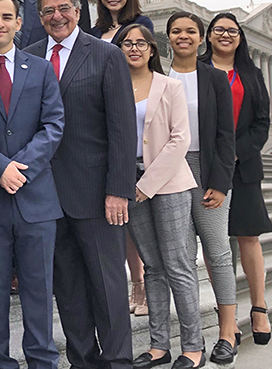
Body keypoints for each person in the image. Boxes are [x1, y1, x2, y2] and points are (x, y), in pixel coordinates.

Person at [25, 0, 136, 369]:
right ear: (39, 18)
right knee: (68, 288)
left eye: (64, 9)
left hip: (95, 193)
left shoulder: (105, 55)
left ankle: (119, 359)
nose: (56, 16)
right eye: (48, 11)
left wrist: (118, 190)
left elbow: (122, 129)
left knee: (107, 285)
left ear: (77, 11)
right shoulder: (29, 57)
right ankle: (82, 360)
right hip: (45, 196)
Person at [0, 0, 64, 369]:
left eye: (7, 17)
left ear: (19, 23)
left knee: (39, 290)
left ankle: (42, 360)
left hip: (36, 198)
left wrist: (20, 167)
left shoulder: (40, 68)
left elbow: (53, 125)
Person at [116, 24, 204, 369]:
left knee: (178, 266)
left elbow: (180, 139)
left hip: (167, 182)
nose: (134, 48)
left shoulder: (170, 86)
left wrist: (145, 184)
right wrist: (128, 184)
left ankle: (193, 346)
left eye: (141, 43)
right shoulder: (115, 87)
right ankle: (158, 346)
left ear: (152, 49)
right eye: (127, 43)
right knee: (152, 267)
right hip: (129, 182)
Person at [166, 11, 237, 365]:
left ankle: (227, 331)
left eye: (190, 31)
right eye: (176, 31)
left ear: (201, 37)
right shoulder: (159, 76)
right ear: (168, 38)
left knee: (218, 252)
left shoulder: (214, 78)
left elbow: (227, 135)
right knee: (179, 258)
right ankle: (192, 337)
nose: (183, 36)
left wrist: (221, 184)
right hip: (170, 172)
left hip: (207, 171)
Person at [200, 13, 271, 347]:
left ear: (240, 37)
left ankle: (259, 308)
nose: (225, 35)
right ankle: (226, 315)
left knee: (248, 238)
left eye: (232, 30)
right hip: (208, 168)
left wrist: (237, 152)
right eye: (219, 30)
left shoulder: (252, 74)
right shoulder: (197, 70)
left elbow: (261, 122)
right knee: (217, 245)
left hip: (242, 168)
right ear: (208, 36)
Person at [90, 0, 154, 314]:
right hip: (97, 119)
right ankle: (129, 282)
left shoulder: (141, 23)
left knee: (132, 217)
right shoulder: (95, 30)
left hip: (130, 109)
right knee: (117, 218)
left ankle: (142, 282)